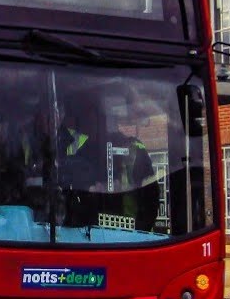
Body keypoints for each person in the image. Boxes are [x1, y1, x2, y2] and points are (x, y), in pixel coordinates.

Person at [57, 94, 158, 232]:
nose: (82, 122)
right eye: (81, 116)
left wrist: (139, 236)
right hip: (87, 238)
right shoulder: (80, 153)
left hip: (130, 239)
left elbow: (150, 200)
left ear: (102, 118)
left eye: (87, 115)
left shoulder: (133, 149)